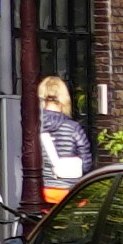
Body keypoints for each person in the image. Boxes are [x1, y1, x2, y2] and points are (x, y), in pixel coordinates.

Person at [38, 74, 95, 208]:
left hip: (43, 193)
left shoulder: (32, 128)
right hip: (71, 194)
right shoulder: (74, 128)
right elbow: (86, 165)